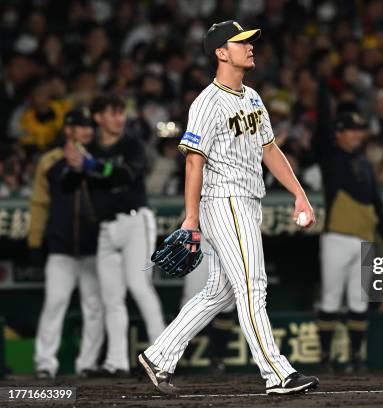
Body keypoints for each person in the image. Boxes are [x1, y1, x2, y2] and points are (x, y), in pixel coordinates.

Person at [138, 21, 319, 396]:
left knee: (219, 291)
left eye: (249, 41)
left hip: (247, 201)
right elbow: (193, 161)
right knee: (253, 286)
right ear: (221, 52)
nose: (250, 46)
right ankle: (277, 373)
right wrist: (190, 217)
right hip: (225, 200)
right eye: (241, 43)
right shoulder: (206, 102)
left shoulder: (252, 97)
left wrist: (299, 193)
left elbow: (270, 149)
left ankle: (160, 355)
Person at [63, 95, 166, 376]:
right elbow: (68, 184)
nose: (119, 118)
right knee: (111, 298)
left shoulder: (131, 144)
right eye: (113, 113)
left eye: (121, 112)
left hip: (135, 221)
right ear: (98, 117)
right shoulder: (90, 148)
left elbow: (126, 174)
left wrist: (89, 166)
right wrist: (73, 165)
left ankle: (165, 356)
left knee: (139, 285)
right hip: (106, 228)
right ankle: (116, 362)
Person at [314, 70, 383, 373]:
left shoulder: (363, 162)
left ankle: (355, 357)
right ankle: (324, 357)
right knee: (332, 299)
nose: (359, 134)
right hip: (336, 236)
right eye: (353, 130)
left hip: (363, 236)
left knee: (359, 301)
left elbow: (376, 202)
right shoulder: (331, 156)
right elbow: (322, 127)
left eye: (361, 130)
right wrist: (323, 90)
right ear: (340, 133)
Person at [29, 108, 104, 379]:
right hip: (61, 248)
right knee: (55, 303)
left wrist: (85, 163)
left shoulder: (99, 157)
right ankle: (45, 363)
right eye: (80, 126)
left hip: (93, 246)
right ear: (68, 130)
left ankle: (88, 363)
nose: (86, 131)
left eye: (88, 126)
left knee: (94, 306)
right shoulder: (50, 161)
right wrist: (35, 240)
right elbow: (39, 203)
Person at [180, 253, 235, 373]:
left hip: (226, 244)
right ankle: (171, 357)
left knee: (226, 301)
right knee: (191, 300)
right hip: (199, 241)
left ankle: (218, 358)